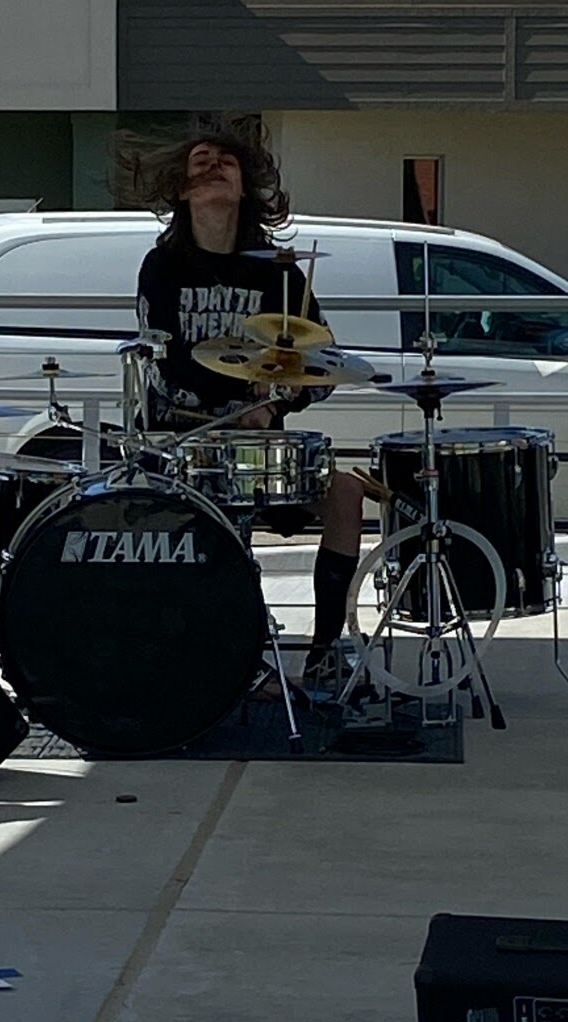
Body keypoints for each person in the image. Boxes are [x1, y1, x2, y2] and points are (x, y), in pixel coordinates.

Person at [129, 124, 366, 693]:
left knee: (346, 493)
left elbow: (324, 364)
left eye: (227, 163)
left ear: (244, 188)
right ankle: (237, 655)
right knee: (222, 516)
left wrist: (280, 398)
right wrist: (229, 407)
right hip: (182, 444)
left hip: (261, 447)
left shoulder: (279, 273)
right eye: (201, 161)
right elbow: (160, 363)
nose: (214, 167)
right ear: (183, 190)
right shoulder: (162, 267)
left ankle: (325, 652)